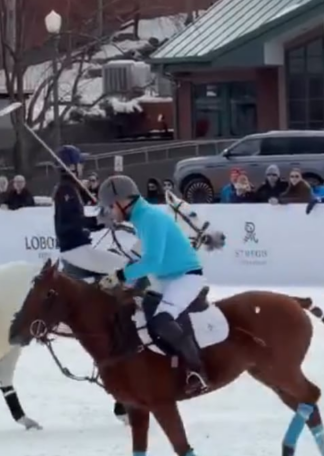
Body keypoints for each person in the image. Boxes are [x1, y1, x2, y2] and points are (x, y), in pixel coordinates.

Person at [97, 174, 208, 395]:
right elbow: (147, 261)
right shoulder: (141, 219)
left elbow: (152, 260)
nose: (111, 211)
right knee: (136, 311)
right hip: (166, 277)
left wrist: (120, 276)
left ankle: (197, 371)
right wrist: (126, 282)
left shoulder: (150, 218)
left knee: (162, 320)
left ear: (123, 201)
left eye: (111, 206)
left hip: (186, 276)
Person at [53, 145, 126, 277]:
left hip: (78, 249)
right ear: (71, 167)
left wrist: (102, 222)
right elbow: (74, 221)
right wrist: (99, 220)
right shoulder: (66, 189)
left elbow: (79, 222)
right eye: (80, 163)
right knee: (126, 267)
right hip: (75, 251)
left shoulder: (71, 188)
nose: (82, 166)